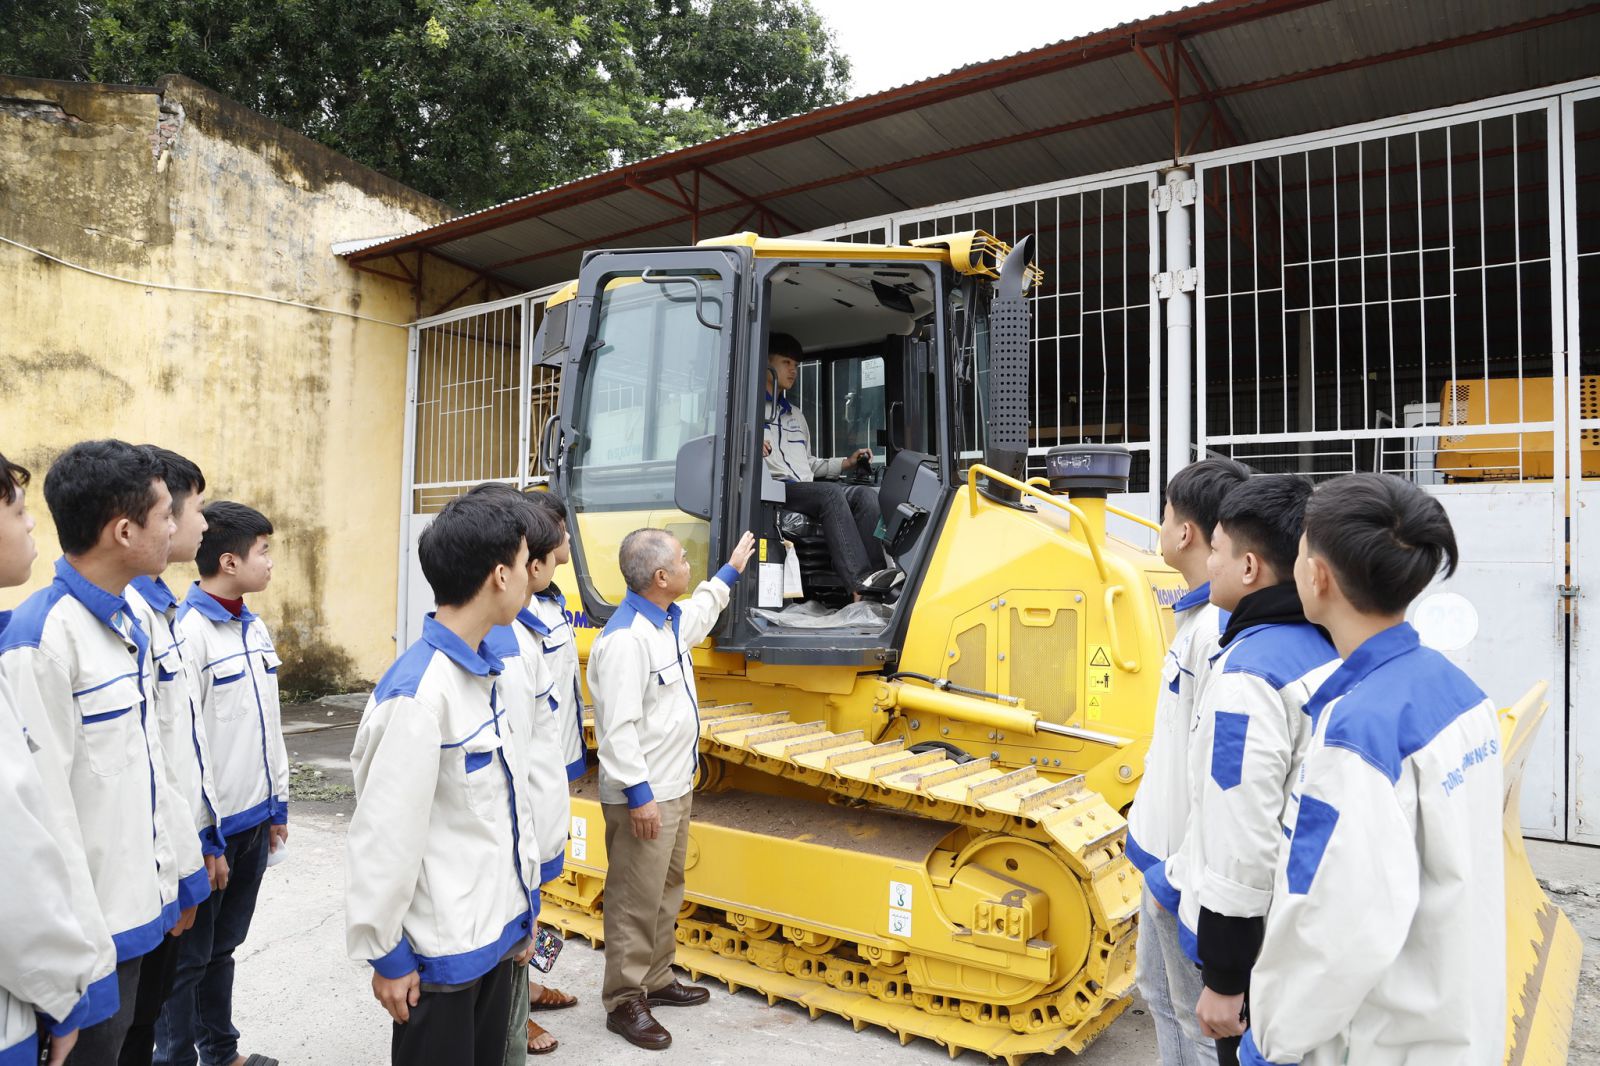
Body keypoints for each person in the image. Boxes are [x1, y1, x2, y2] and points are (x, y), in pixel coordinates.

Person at [1241, 474, 1504, 1066]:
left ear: (1318, 576)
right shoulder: (1460, 691)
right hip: (1455, 1022)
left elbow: (1339, 927)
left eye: (1301, 550)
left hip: (1382, 1042)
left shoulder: (1357, 732)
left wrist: (1274, 1037)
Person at [0, 440, 200, 1064]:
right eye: (165, 515)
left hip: (141, 909)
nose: (175, 527)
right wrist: (72, 967)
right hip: (92, 937)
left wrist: (180, 873)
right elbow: (45, 819)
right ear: (124, 531)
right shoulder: (42, 642)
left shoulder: (126, 618)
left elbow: (152, 761)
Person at [345, 490, 540, 1066]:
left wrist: (524, 909)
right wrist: (387, 955)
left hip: (494, 935)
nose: (531, 577)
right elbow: (382, 837)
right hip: (441, 956)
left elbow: (502, 809)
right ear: (499, 576)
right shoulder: (420, 695)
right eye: (525, 563)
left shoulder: (485, 672)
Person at [1152, 475, 1338, 1066]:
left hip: (1249, 937)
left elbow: (1239, 832)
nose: (1209, 562)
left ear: (1250, 567)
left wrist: (1225, 975)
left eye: (1218, 551)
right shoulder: (1321, 647)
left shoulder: (1247, 677)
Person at [589, 527, 755, 1050]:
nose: (689, 565)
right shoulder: (625, 641)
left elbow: (701, 612)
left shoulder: (667, 622)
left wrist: (730, 571)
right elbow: (616, 730)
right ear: (661, 577)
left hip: (675, 784)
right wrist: (639, 797)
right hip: (645, 794)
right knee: (634, 898)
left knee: (665, 888)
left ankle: (656, 978)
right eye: (683, 560)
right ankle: (624, 1000)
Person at [1126, 457, 1248, 1066]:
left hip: (1178, 872)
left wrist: (1176, 876)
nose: (1161, 525)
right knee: (1157, 993)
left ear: (1186, 532)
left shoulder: (1214, 633)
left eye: (1165, 513)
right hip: (1161, 857)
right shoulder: (1196, 618)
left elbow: (1216, 780)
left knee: (1194, 1018)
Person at [0, 449, 118, 1066]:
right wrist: (61, 991)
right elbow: (16, 851)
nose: (30, 526)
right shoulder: (38, 638)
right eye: (19, 511)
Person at [158, 502, 286, 1066]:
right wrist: (204, 839)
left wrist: (278, 804)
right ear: (229, 561)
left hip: (254, 820)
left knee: (224, 948)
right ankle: (175, 1058)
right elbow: (188, 745)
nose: (271, 562)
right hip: (214, 831)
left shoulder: (252, 627)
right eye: (264, 552)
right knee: (188, 960)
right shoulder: (189, 635)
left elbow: (269, 726)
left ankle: (220, 1051)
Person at [120, 449, 227, 1066]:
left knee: (154, 1004)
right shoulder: (127, 620)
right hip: (142, 870)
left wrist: (201, 843)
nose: (202, 524)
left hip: (177, 852)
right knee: (138, 1022)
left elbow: (185, 747)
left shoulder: (162, 613)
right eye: (190, 510)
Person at [466, 484, 576, 1058]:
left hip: (548, 791)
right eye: (555, 543)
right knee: (517, 921)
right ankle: (517, 1011)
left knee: (533, 915)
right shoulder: (506, 641)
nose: (563, 547)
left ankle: (524, 992)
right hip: (523, 819)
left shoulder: (545, 610)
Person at [763, 333, 891, 599]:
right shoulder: (749, 412)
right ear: (766, 365)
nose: (793, 370)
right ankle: (858, 584)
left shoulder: (796, 415)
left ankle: (878, 580)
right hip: (776, 491)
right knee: (830, 493)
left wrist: (846, 463)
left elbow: (809, 463)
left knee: (865, 496)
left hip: (805, 489)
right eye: (786, 363)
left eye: (796, 365)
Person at [524, 491, 587, 783]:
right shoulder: (526, 611)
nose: (568, 537)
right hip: (540, 770)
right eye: (562, 528)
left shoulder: (550, 600)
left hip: (561, 758)